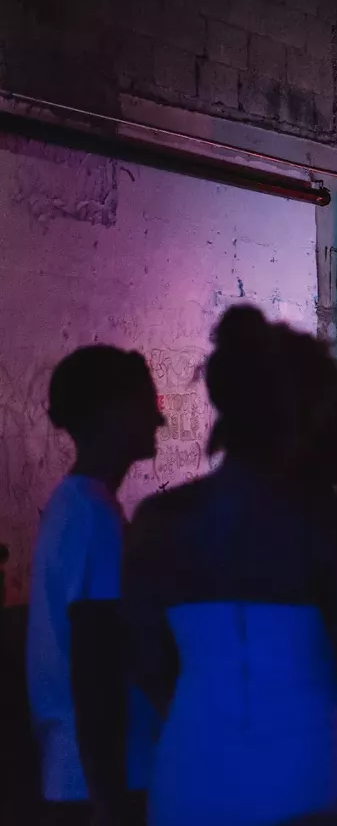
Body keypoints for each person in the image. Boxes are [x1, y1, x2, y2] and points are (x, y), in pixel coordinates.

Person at [123, 308, 337, 826]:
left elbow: (145, 661)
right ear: (307, 411)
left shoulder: (158, 521)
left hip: (188, 770)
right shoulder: (330, 525)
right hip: (312, 771)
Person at [28, 346, 164, 826]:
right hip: (103, 781)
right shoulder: (93, 517)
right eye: (146, 403)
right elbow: (96, 664)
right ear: (111, 413)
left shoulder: (75, 505)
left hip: (79, 776)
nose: (160, 418)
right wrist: (108, 802)